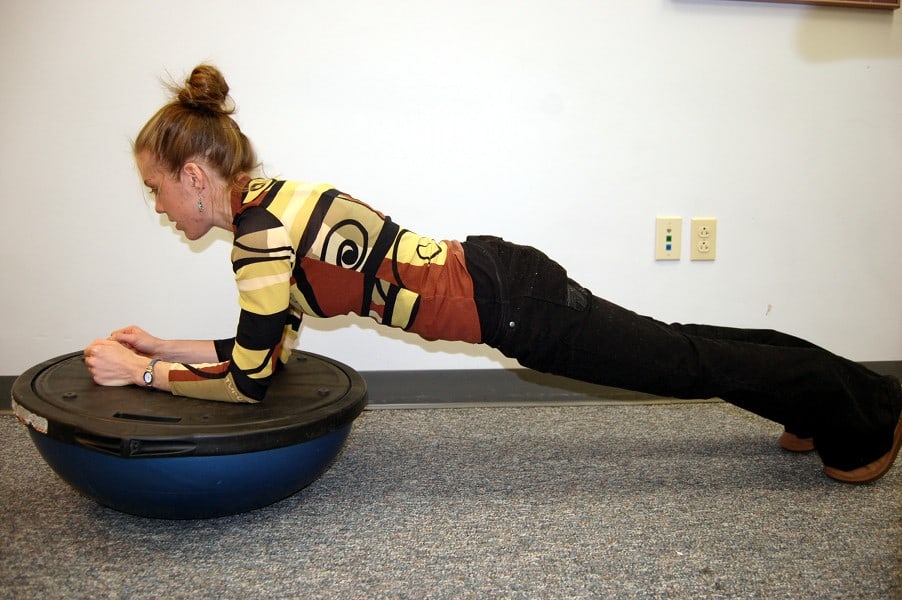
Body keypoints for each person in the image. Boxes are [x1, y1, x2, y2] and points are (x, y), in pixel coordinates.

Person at [85, 64, 901, 485]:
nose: (157, 205)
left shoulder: (259, 238)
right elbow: (268, 345)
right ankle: (820, 398)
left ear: (194, 175)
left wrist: (142, 374)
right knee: (679, 346)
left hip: (516, 306)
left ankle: (868, 414)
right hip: (505, 280)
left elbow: (249, 382)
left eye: (155, 186)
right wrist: (161, 345)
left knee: (680, 361)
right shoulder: (271, 208)